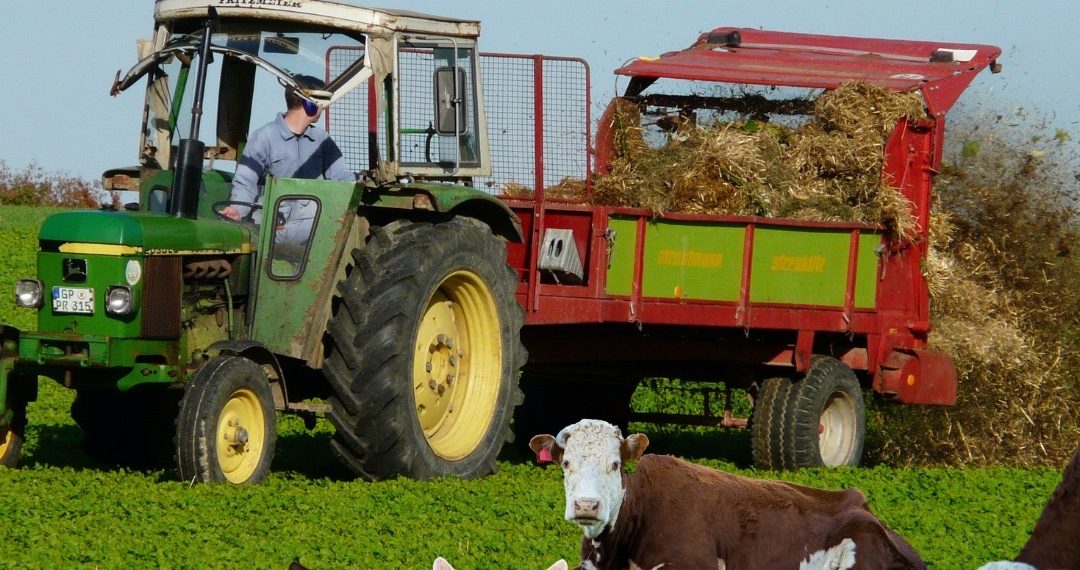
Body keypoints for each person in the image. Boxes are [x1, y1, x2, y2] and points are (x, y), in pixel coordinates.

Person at [221, 74, 354, 245]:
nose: (324, 108)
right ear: (309, 104)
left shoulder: (322, 140)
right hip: (275, 230)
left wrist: (361, 181)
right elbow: (246, 182)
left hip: (311, 230)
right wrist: (237, 209)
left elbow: (341, 175)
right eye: (321, 103)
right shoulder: (264, 137)